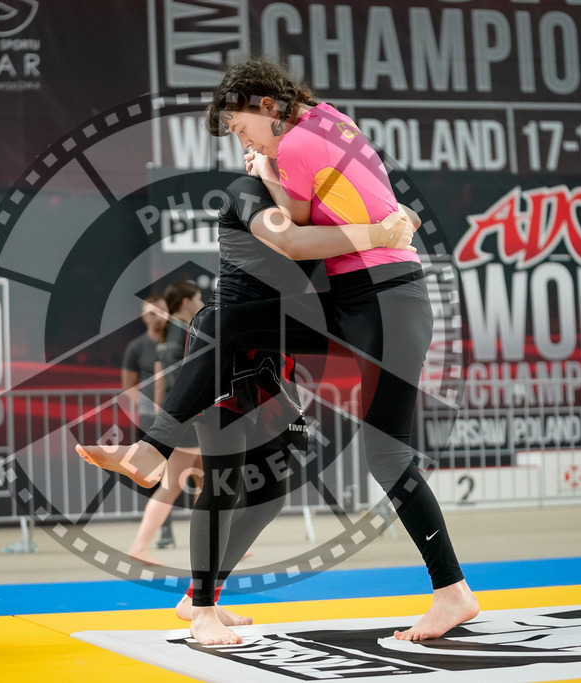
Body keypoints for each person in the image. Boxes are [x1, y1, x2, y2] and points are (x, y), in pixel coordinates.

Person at [79, 58, 478, 642]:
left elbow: (291, 234)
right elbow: (334, 207)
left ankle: (452, 591)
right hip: (362, 302)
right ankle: (158, 464)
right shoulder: (330, 120)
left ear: (269, 107)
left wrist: (281, 175)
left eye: (243, 129)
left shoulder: (288, 148)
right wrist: (386, 217)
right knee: (231, 325)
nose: (242, 143)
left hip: (380, 302)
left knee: (386, 457)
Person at [127, 282, 205, 563]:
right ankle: (140, 545)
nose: (201, 302)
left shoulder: (175, 332)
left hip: (185, 417)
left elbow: (167, 377)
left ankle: (213, 547)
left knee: (206, 483)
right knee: (174, 485)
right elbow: (180, 378)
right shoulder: (181, 332)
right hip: (188, 418)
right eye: (198, 298)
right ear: (186, 302)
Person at [121, 295, 177, 551]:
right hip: (150, 421)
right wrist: (150, 408)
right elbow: (128, 387)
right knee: (154, 475)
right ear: (144, 317)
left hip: (179, 416)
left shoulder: (178, 341)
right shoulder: (136, 347)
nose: (158, 317)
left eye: (162, 311)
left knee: (184, 475)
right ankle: (161, 529)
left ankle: (215, 534)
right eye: (152, 313)